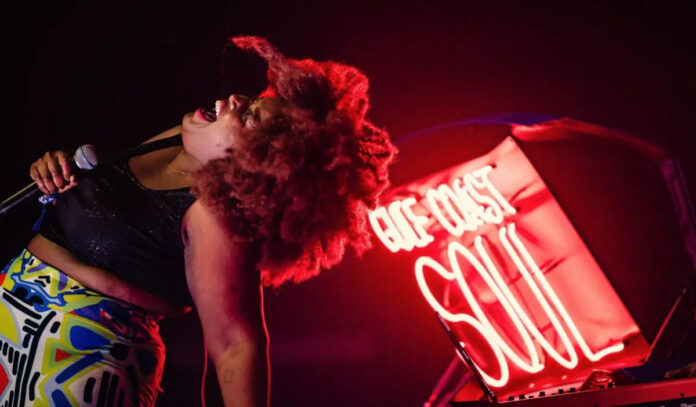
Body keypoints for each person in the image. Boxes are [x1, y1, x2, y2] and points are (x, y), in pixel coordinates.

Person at [0, 36, 396, 406]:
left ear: (259, 166)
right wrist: (51, 177)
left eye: (250, 117)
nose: (238, 100)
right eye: (255, 100)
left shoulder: (213, 216)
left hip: (74, 359)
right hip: (13, 318)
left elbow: (237, 344)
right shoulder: (182, 140)